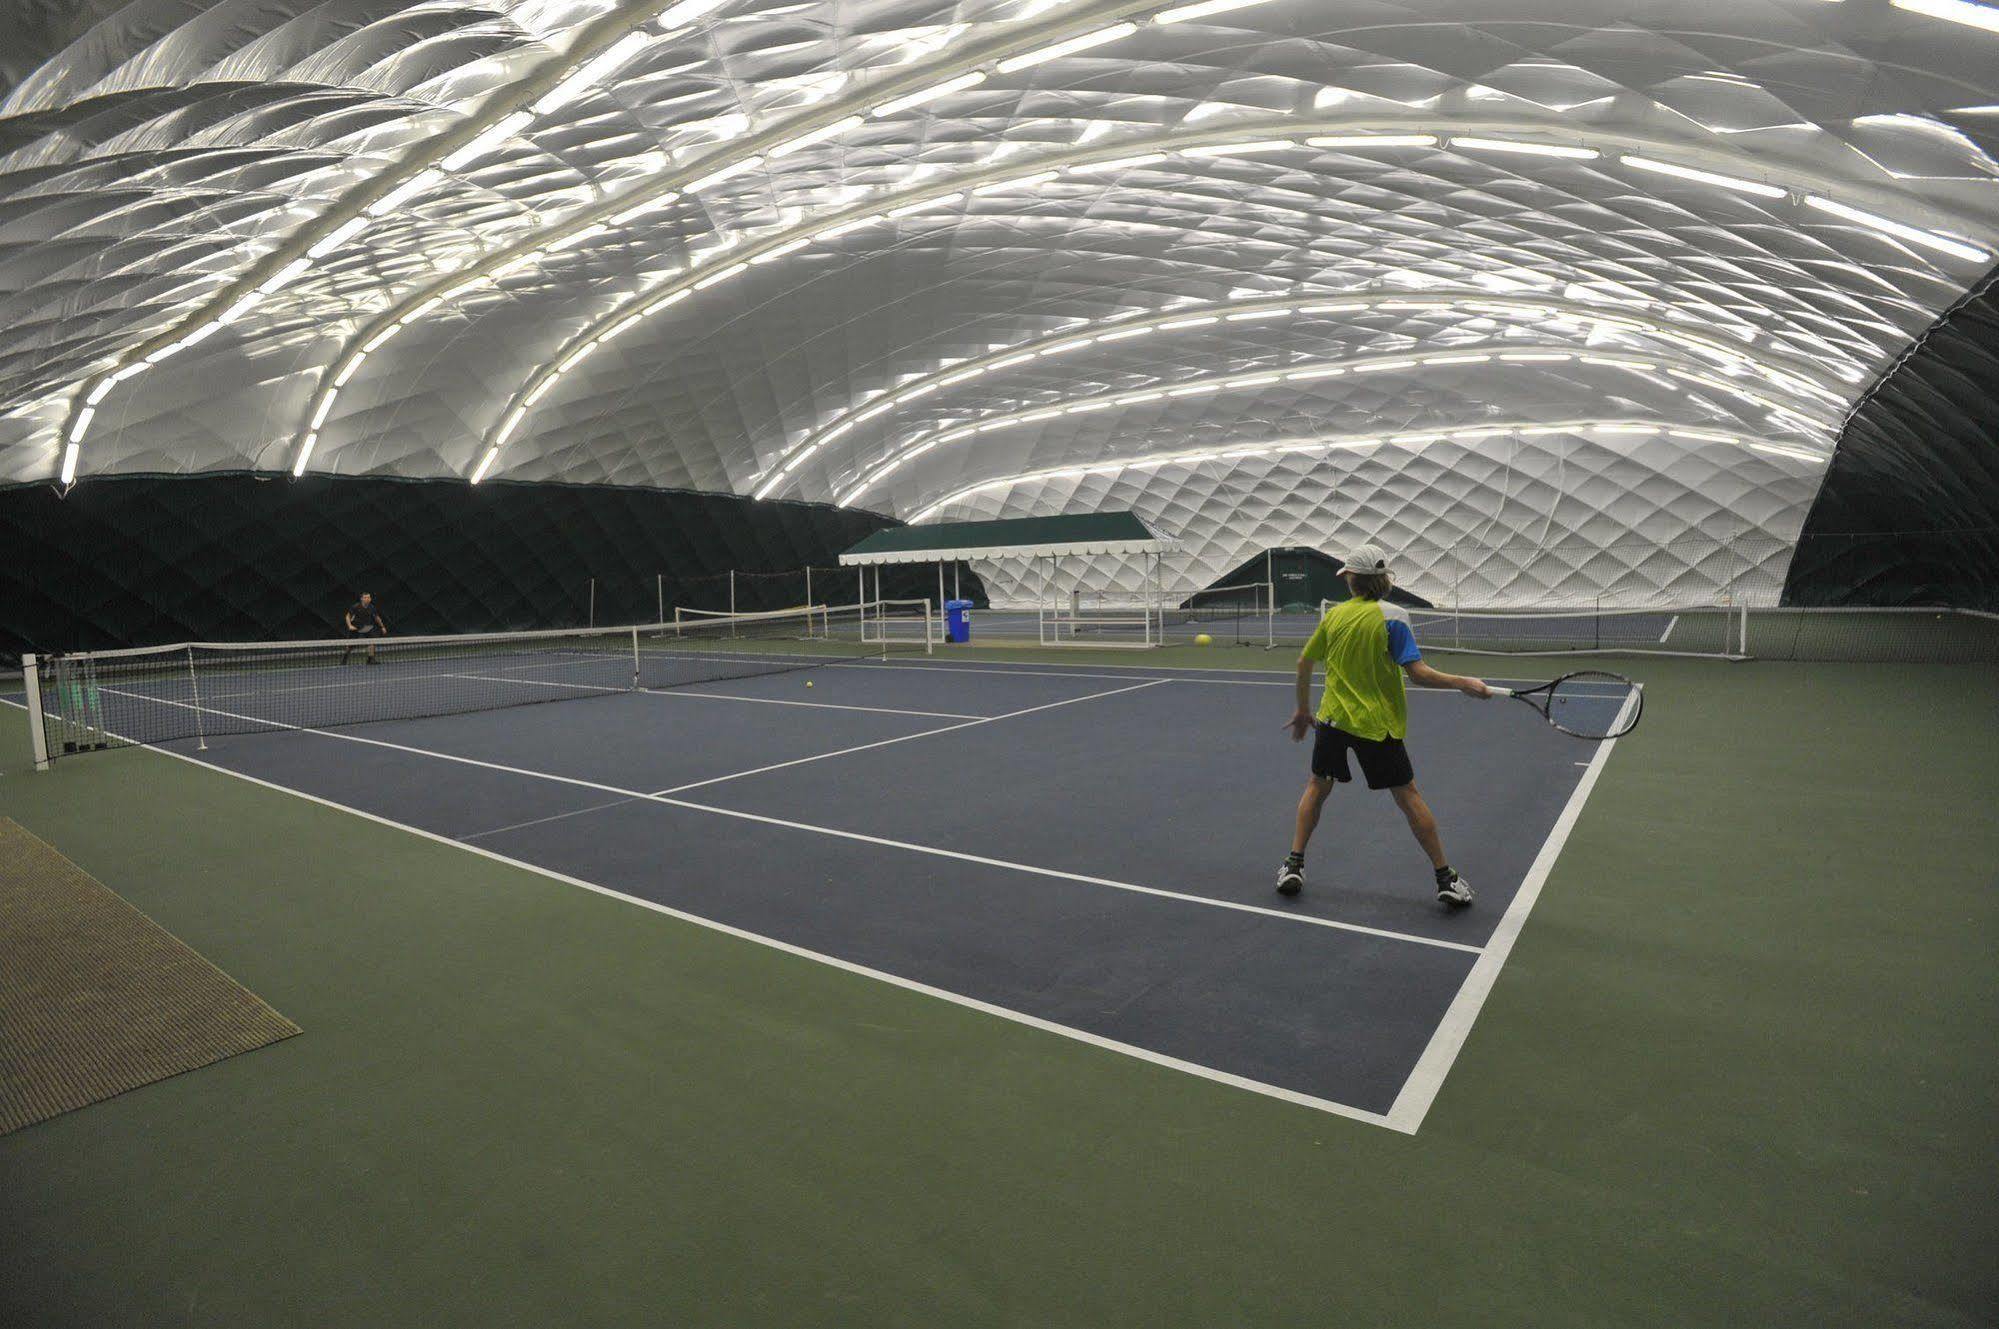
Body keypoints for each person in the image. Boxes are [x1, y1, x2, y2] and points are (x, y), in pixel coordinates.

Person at [1279, 545, 1490, 907]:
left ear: (1351, 580)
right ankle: (1446, 879)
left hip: (1332, 720)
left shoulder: (1333, 616)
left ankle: (1293, 865)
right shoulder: (1394, 617)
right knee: (1407, 795)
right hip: (1377, 725)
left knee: (1316, 787)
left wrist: (1302, 710)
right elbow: (1419, 674)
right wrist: (1463, 682)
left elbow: (1303, 662)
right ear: (1384, 580)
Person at [341, 591, 387, 664]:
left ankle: (371, 659)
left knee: (372, 641)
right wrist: (350, 626)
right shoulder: (356, 606)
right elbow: (347, 616)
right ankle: (344, 659)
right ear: (361, 599)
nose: (367, 599)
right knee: (351, 645)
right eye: (365, 597)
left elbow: (377, 618)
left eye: (369, 597)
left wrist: (382, 627)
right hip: (356, 627)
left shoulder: (372, 607)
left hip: (367, 627)